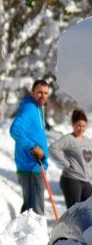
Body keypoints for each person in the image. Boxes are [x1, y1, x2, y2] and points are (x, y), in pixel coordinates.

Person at [9, 79, 51, 215]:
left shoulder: (37, 107)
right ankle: (36, 235)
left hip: (34, 166)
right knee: (36, 210)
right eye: (39, 92)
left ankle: (26, 234)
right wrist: (33, 147)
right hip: (31, 166)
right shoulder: (30, 108)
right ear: (32, 93)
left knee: (30, 207)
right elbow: (15, 130)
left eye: (45, 93)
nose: (43, 96)